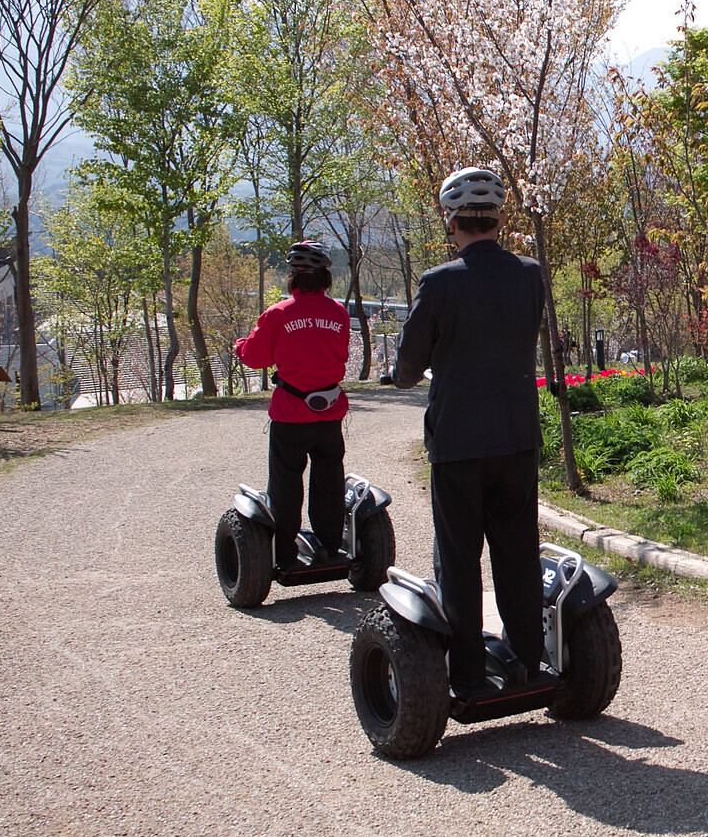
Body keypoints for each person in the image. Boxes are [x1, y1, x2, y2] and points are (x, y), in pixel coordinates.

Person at [388, 167, 547, 699]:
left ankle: (470, 676)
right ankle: (528, 659)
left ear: (450, 220)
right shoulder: (531, 274)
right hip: (518, 437)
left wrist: (404, 372)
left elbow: (409, 366)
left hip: (458, 443)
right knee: (518, 552)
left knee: (457, 559)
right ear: (499, 218)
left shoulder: (438, 283)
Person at [234, 240, 353, 570]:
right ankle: (330, 545)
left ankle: (284, 552)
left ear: (293, 280)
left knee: (286, 484)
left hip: (290, 412)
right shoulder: (339, 314)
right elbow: (338, 355)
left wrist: (240, 345)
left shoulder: (279, 313)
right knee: (329, 480)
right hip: (329, 412)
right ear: (326, 280)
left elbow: (256, 357)